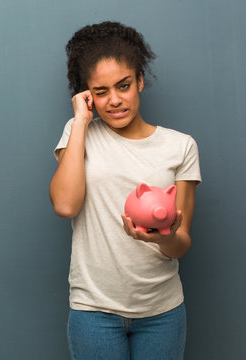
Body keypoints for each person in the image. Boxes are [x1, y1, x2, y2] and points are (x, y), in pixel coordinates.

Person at [49, 21, 202, 360]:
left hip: (162, 312)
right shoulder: (79, 133)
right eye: (101, 92)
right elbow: (65, 204)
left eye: (124, 85)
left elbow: (182, 245)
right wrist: (80, 122)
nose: (115, 100)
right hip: (94, 310)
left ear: (140, 81)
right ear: (87, 95)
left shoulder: (181, 147)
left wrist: (162, 237)